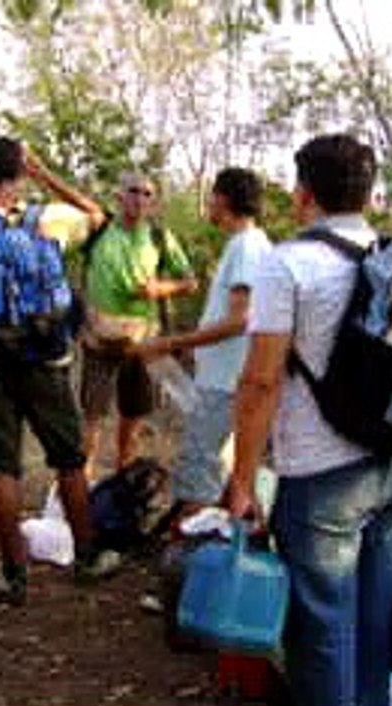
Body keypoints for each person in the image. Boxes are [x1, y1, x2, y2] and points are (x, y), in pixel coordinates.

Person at [224, 133, 392, 706]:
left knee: (322, 635)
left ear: (302, 193)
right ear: (369, 193)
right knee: (373, 624)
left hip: (323, 475)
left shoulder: (286, 265)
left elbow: (260, 382)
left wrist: (242, 481)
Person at [0, 136, 118, 601]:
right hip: (48, 356)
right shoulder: (51, 219)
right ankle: (88, 558)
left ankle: (13, 573)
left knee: (1, 467)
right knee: (70, 459)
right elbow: (99, 216)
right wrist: (46, 174)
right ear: (20, 172)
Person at [132, 167, 271, 520]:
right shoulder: (247, 245)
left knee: (199, 473)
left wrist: (171, 342)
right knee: (219, 471)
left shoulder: (247, 247)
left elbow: (240, 320)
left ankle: (193, 557)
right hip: (226, 380)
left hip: (225, 385)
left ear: (223, 200)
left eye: (212, 196)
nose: (209, 203)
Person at [77, 171, 198, 479]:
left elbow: (190, 282)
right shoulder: (100, 227)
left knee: (132, 416)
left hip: (142, 342)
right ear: (119, 196)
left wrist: (162, 289)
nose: (141, 199)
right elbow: (75, 201)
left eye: (148, 194)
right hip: (98, 342)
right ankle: (81, 485)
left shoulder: (159, 237)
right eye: (134, 191)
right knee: (93, 415)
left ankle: (121, 482)